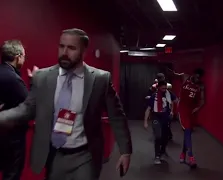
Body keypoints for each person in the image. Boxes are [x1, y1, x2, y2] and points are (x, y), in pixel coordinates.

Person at [0, 28, 132, 180]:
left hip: (85, 156)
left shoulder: (100, 79)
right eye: (61, 46)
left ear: (83, 51)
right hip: (55, 156)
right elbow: (26, 109)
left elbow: (116, 116)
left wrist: (125, 150)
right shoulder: (43, 77)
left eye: (71, 48)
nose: (64, 52)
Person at [0, 40, 28, 180]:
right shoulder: (14, 80)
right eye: (24, 56)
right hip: (11, 140)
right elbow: (29, 107)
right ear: (18, 57)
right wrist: (34, 83)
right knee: (11, 175)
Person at [170, 68, 205, 168]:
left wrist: (197, 108)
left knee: (187, 132)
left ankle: (182, 154)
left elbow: (202, 100)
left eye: (200, 78)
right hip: (182, 109)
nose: (198, 79)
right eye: (197, 77)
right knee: (188, 130)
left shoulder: (200, 86)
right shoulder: (185, 77)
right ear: (193, 74)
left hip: (191, 111)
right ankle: (191, 156)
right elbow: (175, 75)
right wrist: (171, 72)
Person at [144, 80, 177, 164]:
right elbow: (148, 109)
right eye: (162, 88)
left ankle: (162, 151)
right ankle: (157, 156)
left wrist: (172, 111)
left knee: (165, 138)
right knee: (158, 136)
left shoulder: (169, 94)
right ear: (158, 88)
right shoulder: (154, 96)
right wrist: (145, 122)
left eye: (165, 88)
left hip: (166, 118)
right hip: (156, 118)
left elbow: (174, 101)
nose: (164, 89)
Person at [145, 73, 174, 141]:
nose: (161, 79)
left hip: (166, 106)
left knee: (166, 123)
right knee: (158, 123)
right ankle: (159, 135)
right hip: (157, 106)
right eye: (160, 78)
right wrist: (150, 97)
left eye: (162, 78)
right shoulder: (154, 86)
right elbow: (150, 94)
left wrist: (172, 110)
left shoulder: (168, 86)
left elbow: (171, 98)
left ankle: (167, 135)